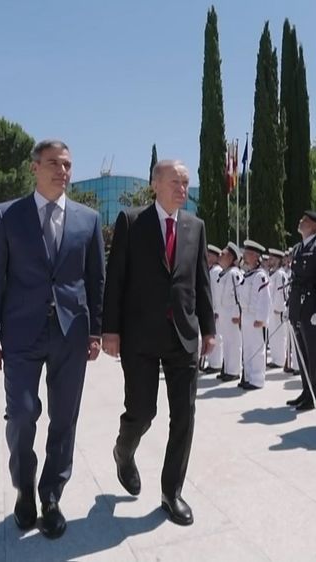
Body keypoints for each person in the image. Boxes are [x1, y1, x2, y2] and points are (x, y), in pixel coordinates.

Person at [0, 139, 105, 539]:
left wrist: (97, 330)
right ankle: (24, 489)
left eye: (67, 164)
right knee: (21, 414)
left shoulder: (88, 219)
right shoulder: (6, 216)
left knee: (64, 418)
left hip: (71, 333)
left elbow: (96, 279)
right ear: (34, 168)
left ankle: (51, 496)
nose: (62, 171)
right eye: (53, 163)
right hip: (20, 333)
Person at [102, 159, 216, 527]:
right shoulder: (132, 222)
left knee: (184, 416)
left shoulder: (195, 227)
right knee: (142, 412)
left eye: (186, 182)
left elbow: (200, 282)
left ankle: (172, 492)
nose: (182, 188)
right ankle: (124, 450)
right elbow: (115, 278)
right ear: (155, 184)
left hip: (183, 335)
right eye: (175, 181)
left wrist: (209, 329)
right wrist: (111, 330)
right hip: (140, 336)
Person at [286, 210, 316, 410]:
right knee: (301, 350)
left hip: (311, 304)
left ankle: (315, 392)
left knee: (313, 350)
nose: (301, 221)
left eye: (305, 220)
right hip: (297, 303)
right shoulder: (298, 248)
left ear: (315, 226)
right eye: (302, 218)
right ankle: (306, 391)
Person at [238, 240, 271, 389]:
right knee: (248, 347)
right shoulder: (248, 275)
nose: (244, 256)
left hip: (254, 317)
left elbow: (265, 298)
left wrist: (261, 318)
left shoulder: (260, 276)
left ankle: (257, 379)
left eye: (248, 253)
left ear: (255, 256)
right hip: (246, 316)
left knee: (257, 348)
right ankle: (248, 377)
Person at [215, 243, 243, 382]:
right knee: (227, 342)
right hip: (224, 313)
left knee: (233, 342)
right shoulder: (224, 273)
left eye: (223, 254)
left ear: (231, 257)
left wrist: (238, 314)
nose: (220, 256)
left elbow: (238, 295)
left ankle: (234, 370)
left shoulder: (234, 273)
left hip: (232, 314)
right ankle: (227, 369)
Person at [266, 248, 290, 369]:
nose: (269, 260)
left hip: (277, 310)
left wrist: (279, 307)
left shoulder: (280, 274)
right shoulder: (272, 273)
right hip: (271, 310)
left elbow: (282, 293)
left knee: (280, 336)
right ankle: (275, 359)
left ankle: (280, 360)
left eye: (272, 258)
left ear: (278, 260)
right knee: (273, 336)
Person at [202, 244, 224, 374]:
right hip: (212, 309)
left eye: (210, 256)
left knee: (216, 337)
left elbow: (215, 293)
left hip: (215, 309)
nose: (207, 257)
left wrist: (214, 310)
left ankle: (216, 364)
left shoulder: (216, 272)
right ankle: (212, 362)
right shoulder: (211, 270)